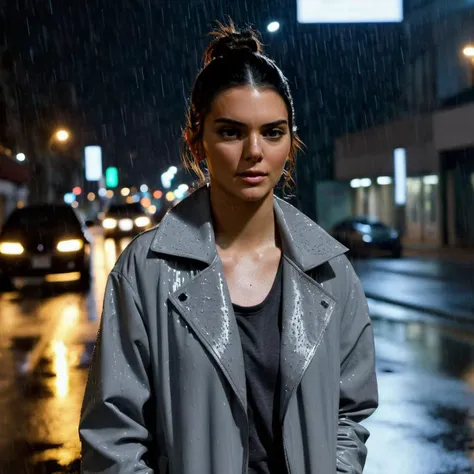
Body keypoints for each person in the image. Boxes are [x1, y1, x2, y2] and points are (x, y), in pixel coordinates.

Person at [79, 21, 378, 474]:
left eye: (273, 132)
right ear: (196, 142)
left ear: (290, 144)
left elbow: (350, 413)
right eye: (232, 132)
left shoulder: (330, 272)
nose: (254, 151)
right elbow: (112, 438)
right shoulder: (145, 271)